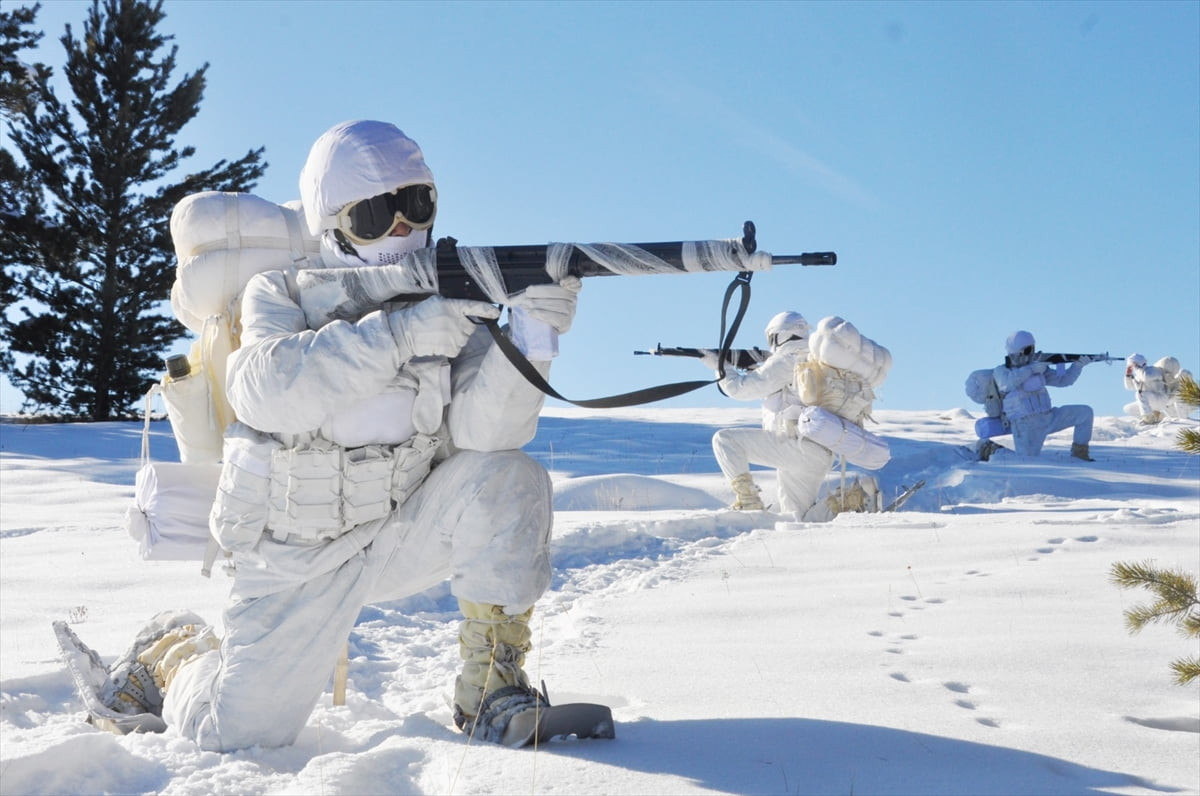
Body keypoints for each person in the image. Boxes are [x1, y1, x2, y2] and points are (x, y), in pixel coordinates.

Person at [98, 120, 582, 751]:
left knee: (509, 475)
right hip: (290, 559)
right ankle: (177, 655)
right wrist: (399, 336)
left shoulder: (445, 297)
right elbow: (264, 390)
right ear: (332, 226)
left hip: (392, 534)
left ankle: (491, 689)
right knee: (235, 734)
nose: (403, 228)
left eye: (416, 205)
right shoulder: (280, 291)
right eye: (376, 213)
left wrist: (534, 339)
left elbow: (484, 433)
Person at [707, 312, 881, 519]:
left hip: (795, 446)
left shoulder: (788, 357)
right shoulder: (815, 358)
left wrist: (718, 366)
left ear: (776, 336)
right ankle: (858, 495)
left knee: (725, 441)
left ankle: (747, 502)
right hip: (820, 451)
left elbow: (740, 389)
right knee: (799, 519)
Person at [991, 330, 1096, 460]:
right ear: (1017, 351)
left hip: (1049, 417)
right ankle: (990, 451)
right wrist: (1031, 369)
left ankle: (1080, 454)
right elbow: (1006, 384)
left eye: (1033, 349)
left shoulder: (1038, 368)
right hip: (1026, 426)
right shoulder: (1002, 371)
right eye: (1028, 350)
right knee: (1025, 461)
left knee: (1085, 413)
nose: (1032, 353)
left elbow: (1063, 381)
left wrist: (1077, 366)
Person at [1123, 353, 1168, 424]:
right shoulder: (1138, 375)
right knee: (1129, 409)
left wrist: (1137, 368)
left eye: (1132, 364)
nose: (1131, 367)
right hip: (1150, 400)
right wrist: (1128, 375)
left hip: (1160, 398)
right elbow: (1129, 387)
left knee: (1140, 394)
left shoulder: (1152, 370)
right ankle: (1157, 417)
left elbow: (1146, 377)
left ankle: (1148, 418)